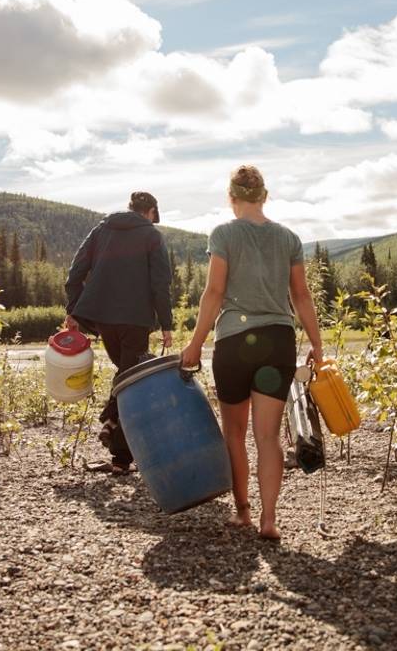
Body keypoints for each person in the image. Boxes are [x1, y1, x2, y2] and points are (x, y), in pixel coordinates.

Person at [180, 165, 322, 542]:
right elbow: (301, 296)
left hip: (234, 342)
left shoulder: (224, 233)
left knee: (235, 433)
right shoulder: (288, 238)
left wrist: (195, 343)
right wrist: (318, 344)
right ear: (264, 196)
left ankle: (243, 512)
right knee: (268, 436)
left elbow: (213, 293)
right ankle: (269, 520)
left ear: (232, 198)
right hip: (277, 340)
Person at [64, 191, 174, 475]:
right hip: (135, 320)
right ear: (150, 211)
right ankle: (112, 424)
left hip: (102, 319)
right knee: (130, 381)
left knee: (126, 375)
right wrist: (166, 323)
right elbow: (161, 283)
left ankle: (119, 457)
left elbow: (75, 271)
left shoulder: (101, 230)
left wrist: (73, 309)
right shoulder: (151, 236)